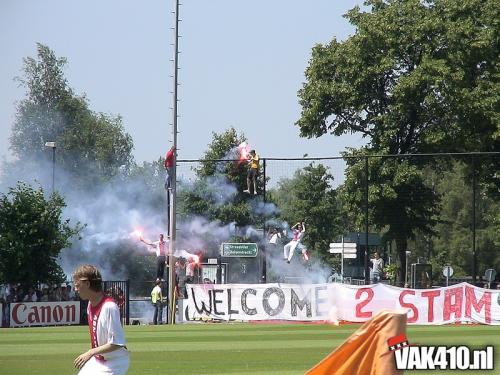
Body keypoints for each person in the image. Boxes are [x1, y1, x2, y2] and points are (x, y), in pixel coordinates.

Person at [72, 264, 129, 375]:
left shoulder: (109, 307)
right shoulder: (90, 304)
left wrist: (90, 352)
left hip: (114, 363)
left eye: (77, 285)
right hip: (98, 360)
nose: (75, 289)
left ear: (87, 284)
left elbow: (117, 343)